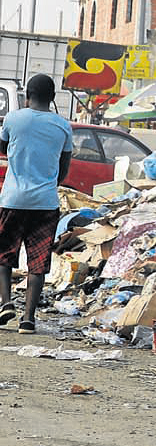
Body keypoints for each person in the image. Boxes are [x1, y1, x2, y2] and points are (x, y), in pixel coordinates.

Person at [0, 74, 72, 333]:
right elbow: (64, 166)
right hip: (45, 203)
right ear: (53, 98)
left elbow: (3, 147)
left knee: (4, 254)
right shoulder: (63, 126)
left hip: (13, 200)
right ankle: (28, 319)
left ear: (27, 96)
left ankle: (6, 303)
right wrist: (51, 183)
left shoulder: (13, 119)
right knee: (38, 262)